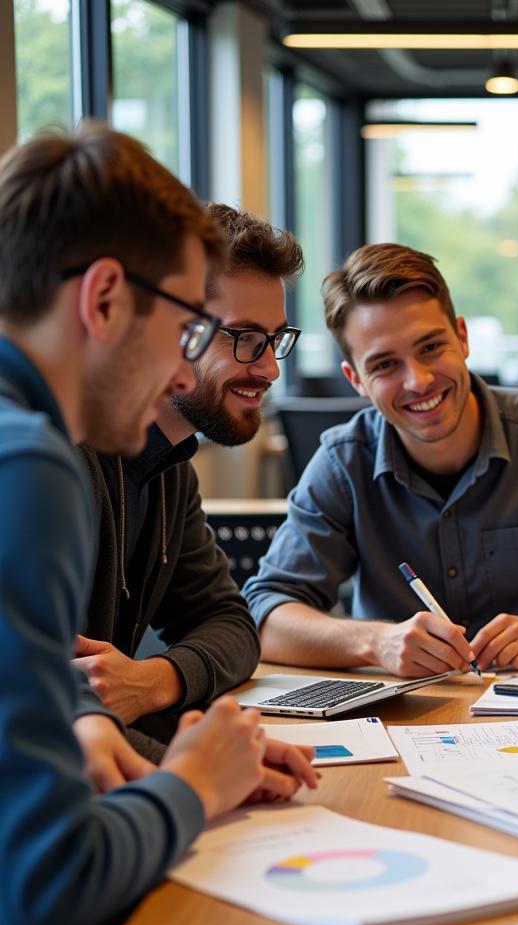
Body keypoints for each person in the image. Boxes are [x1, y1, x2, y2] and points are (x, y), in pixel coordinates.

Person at [0, 124, 315, 925]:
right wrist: (193, 785)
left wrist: (92, 730)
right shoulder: (32, 466)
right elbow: (43, 891)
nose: (186, 364)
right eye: (187, 328)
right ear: (104, 298)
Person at [243, 242, 518, 676]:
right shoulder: (344, 462)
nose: (417, 381)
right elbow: (266, 616)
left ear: (462, 337)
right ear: (356, 381)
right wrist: (377, 642)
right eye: (384, 365)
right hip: (404, 719)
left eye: (430, 348)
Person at [74, 203, 304, 765]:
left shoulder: (170, 466)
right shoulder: (59, 460)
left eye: (276, 339)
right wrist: (201, 770)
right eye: (245, 337)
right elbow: (52, 705)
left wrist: (158, 679)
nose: (270, 368)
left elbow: (230, 625)